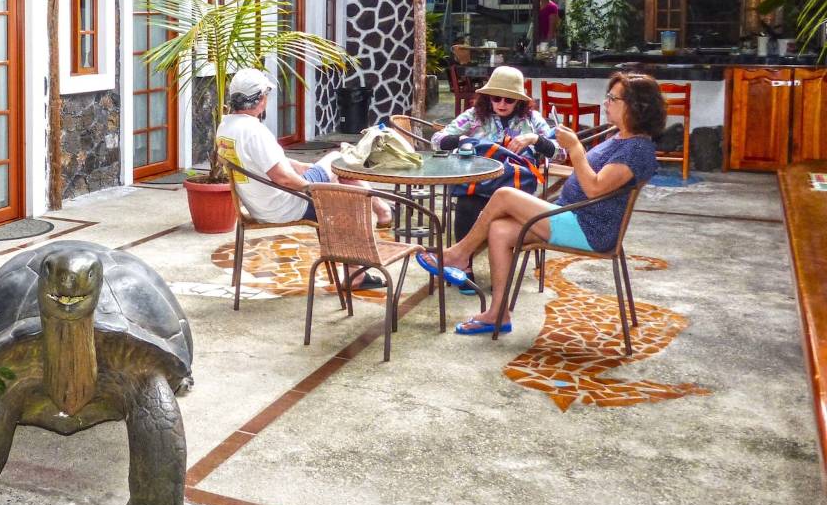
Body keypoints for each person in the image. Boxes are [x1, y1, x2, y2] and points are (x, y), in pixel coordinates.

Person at [417, 72, 664, 335]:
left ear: (635, 107)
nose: (606, 102)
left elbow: (594, 188)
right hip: (571, 215)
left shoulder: (637, 149)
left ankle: (458, 255)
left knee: (504, 195)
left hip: (589, 227)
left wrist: (575, 148)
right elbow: (590, 178)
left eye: (613, 98)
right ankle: (498, 313)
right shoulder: (620, 138)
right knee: (499, 229)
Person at [216, 68, 392, 289]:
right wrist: (314, 188)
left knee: (341, 184)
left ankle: (379, 217)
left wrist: (302, 167)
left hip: (261, 205)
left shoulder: (226, 127)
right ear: (261, 99)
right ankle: (380, 214)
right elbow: (283, 178)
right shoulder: (254, 131)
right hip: (286, 204)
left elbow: (263, 162)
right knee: (339, 162)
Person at [433, 66, 561, 242]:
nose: (502, 104)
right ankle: (465, 258)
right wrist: (461, 139)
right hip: (479, 184)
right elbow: (437, 140)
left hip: (515, 187)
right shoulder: (474, 116)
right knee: (466, 206)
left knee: (506, 219)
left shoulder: (532, 119)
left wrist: (535, 139)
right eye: (496, 98)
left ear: (519, 101)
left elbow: (560, 153)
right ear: (488, 97)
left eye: (509, 99)